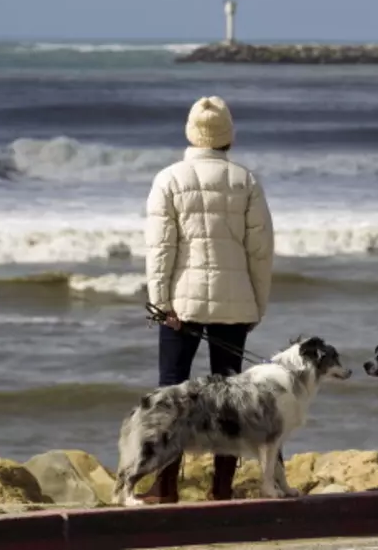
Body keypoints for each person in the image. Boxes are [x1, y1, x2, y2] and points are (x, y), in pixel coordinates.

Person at [137, 95, 275, 504]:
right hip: (235, 304)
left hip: (181, 305)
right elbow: (261, 251)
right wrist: (257, 306)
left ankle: (165, 489)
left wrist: (161, 302)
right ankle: (221, 490)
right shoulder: (245, 181)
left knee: (170, 395)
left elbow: (160, 247)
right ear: (228, 137)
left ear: (190, 134)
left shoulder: (169, 179)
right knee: (230, 398)